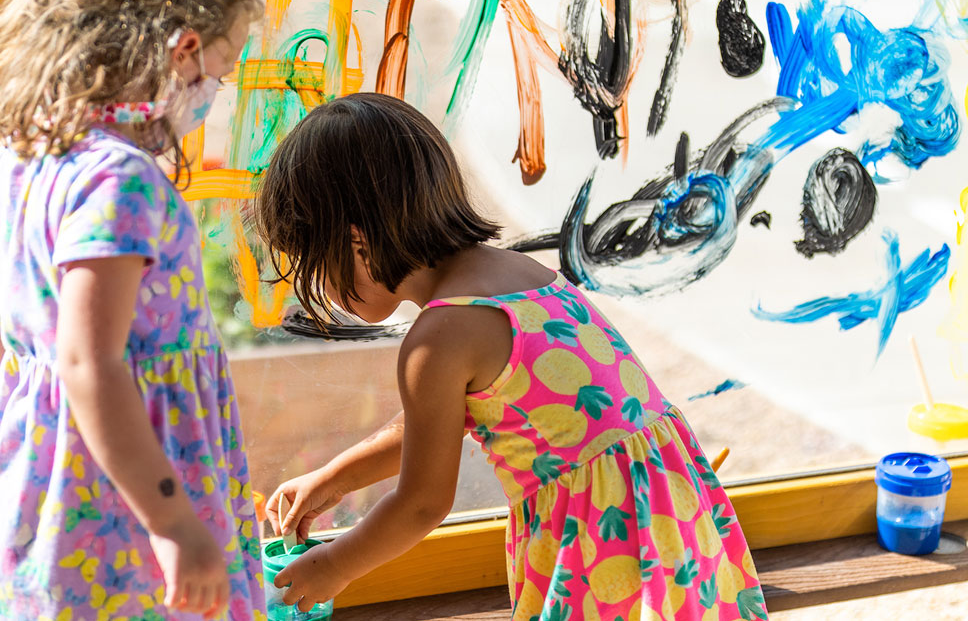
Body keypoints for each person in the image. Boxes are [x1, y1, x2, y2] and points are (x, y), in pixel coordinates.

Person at [254, 92, 766, 621]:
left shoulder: (436, 340)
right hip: (670, 525)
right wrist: (336, 477)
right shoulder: (521, 277)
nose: (320, 288)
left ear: (357, 243)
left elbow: (423, 504)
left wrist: (332, 566)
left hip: (602, 544)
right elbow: (440, 421)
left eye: (315, 263)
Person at [0, 0, 266, 618]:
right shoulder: (120, 180)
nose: (215, 92)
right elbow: (90, 361)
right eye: (223, 71)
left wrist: (58, 409)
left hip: (43, 506)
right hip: (131, 524)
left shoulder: (26, 153)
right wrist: (171, 520)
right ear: (185, 50)